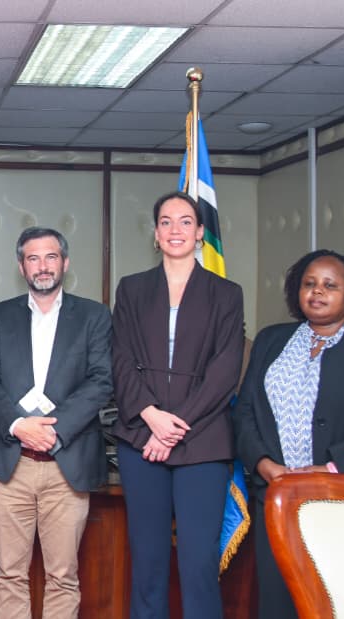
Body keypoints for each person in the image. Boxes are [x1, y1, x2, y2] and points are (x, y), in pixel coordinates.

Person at [234, 249, 344, 619]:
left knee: (340, 600)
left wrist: (331, 468)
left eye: (330, 286)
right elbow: (246, 411)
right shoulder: (271, 340)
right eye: (309, 284)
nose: (317, 292)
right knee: (280, 601)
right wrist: (264, 464)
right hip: (279, 496)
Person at [111, 191, 244, 619]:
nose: (175, 230)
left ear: (201, 232)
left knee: (198, 564)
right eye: (166, 222)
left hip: (201, 443)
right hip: (140, 440)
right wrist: (150, 416)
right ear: (155, 233)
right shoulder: (132, 289)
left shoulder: (226, 293)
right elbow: (120, 358)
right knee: (147, 563)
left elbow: (225, 370)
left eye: (186, 222)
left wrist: (175, 425)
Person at [0, 227, 112, 619]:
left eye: (51, 257)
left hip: (65, 465)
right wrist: (19, 425)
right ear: (21, 266)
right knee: (9, 574)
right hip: (11, 467)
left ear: (65, 262)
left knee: (64, 576)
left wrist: (53, 429)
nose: (43, 266)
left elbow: (102, 380)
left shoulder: (93, 315)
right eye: (33, 258)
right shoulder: (0, 315)